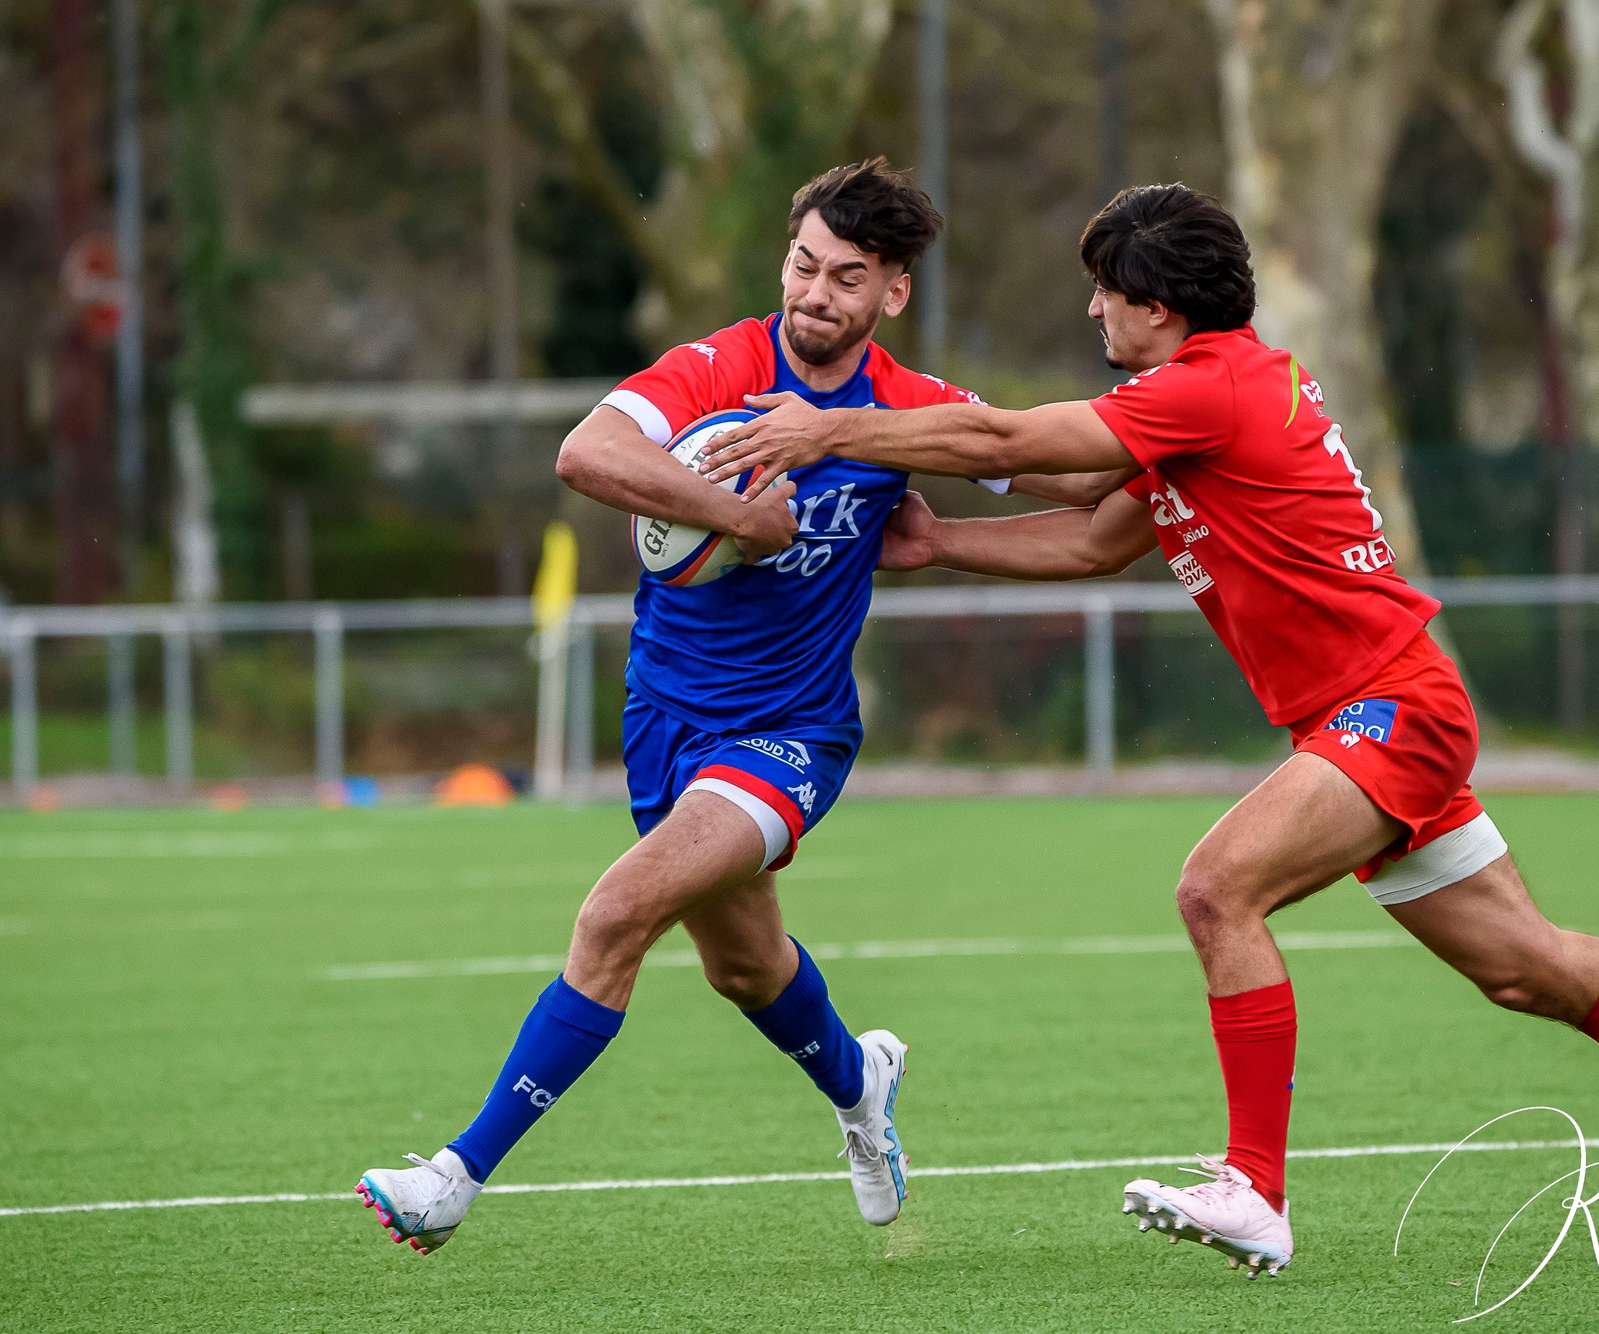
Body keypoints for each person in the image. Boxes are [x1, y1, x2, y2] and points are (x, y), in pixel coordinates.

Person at [697, 183, 1599, 1279]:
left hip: (1386, 708)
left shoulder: (1206, 388)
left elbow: (1002, 441)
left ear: (1156, 306)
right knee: (1525, 970)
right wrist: (939, 546)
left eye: (1104, 291)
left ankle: (1255, 1187)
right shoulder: (1199, 404)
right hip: (1373, 713)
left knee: (1215, 888)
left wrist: (830, 429)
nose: (1091, 309)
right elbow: (1094, 542)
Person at [355, 158, 1110, 1254]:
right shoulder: (715, 367)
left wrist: (946, 540)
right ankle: (862, 1087)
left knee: (615, 915)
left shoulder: (911, 410)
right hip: (664, 721)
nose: (814, 294)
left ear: (892, 292)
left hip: (791, 735)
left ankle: (451, 1179)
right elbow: (587, 452)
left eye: (846, 278)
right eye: (803, 265)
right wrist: (734, 513)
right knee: (744, 968)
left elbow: (1089, 488)